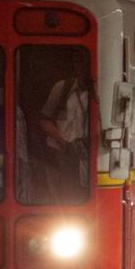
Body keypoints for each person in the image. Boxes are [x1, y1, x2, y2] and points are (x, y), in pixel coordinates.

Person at [39, 53, 91, 203]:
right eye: (78, 62)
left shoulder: (100, 92)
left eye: (85, 63)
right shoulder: (62, 88)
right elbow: (45, 120)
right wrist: (64, 144)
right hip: (60, 154)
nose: (82, 67)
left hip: (87, 155)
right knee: (63, 195)